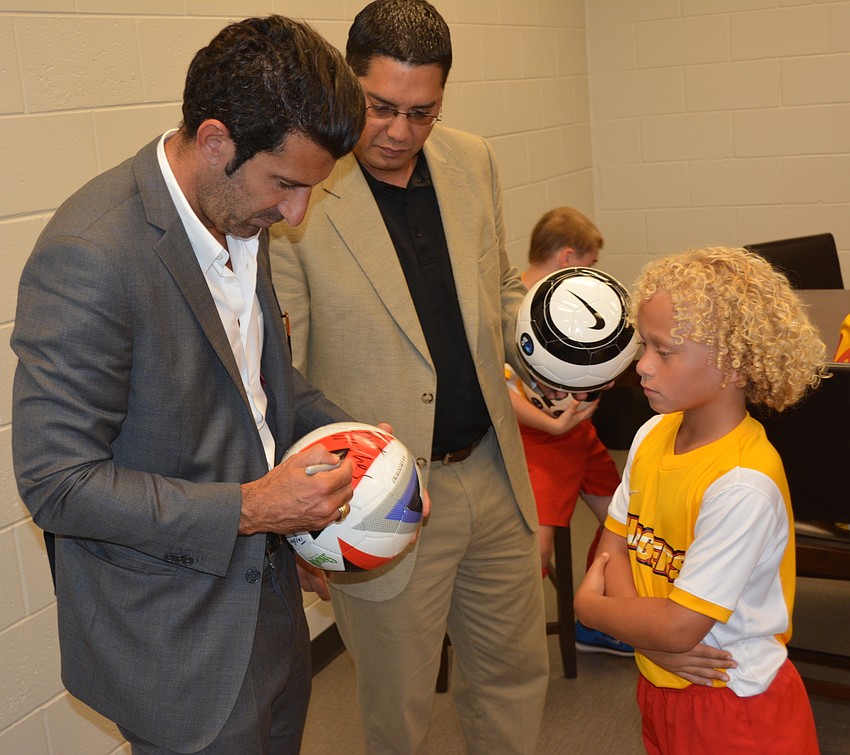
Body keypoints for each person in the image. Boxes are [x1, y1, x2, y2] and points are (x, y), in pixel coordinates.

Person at [12, 16, 367, 754]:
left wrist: (355, 440)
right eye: (287, 185)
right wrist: (249, 507)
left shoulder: (241, 211)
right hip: (176, 638)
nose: (295, 214)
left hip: (264, 604)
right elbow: (57, 482)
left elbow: (257, 385)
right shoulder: (92, 254)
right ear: (215, 142)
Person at [270, 1, 548, 751]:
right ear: (346, 82)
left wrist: (552, 348)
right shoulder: (299, 188)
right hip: (381, 497)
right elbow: (280, 374)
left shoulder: (473, 158)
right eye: (380, 107)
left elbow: (501, 293)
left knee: (515, 679)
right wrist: (300, 524)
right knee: (397, 712)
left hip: (492, 466)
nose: (399, 132)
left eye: (421, 112)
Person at [575, 247, 825, 754]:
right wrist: (651, 641)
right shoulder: (653, 434)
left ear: (734, 365)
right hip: (662, 677)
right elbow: (613, 547)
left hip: (732, 700)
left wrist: (590, 607)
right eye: (643, 345)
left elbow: (682, 626)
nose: (641, 366)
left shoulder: (741, 484)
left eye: (664, 351)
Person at [506, 206, 633, 656]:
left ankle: (595, 616)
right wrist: (552, 423)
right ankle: (506, 646)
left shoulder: (571, 305)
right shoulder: (514, 307)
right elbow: (501, 389)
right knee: (537, 551)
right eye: (590, 263)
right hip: (538, 440)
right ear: (567, 257)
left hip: (577, 434)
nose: (594, 275)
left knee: (628, 522)